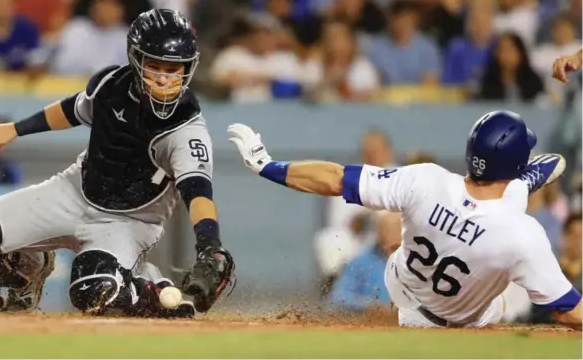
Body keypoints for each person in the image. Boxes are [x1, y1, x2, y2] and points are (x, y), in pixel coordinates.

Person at [0, 9, 235, 319]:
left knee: (92, 292)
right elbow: (72, 110)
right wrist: (15, 129)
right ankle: (27, 275)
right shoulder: (110, 84)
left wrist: (209, 245)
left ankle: (150, 286)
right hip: (72, 192)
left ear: (189, 68)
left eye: (174, 69)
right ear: (136, 60)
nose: (164, 78)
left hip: (127, 222)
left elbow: (198, 193)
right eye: (155, 67)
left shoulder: (188, 131)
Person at [227, 111, 581, 330]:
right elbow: (568, 312)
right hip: (468, 320)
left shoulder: (426, 180)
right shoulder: (522, 232)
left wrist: (266, 166)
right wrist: (529, 175)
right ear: (516, 168)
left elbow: (335, 178)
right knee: (511, 288)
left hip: (398, 289)